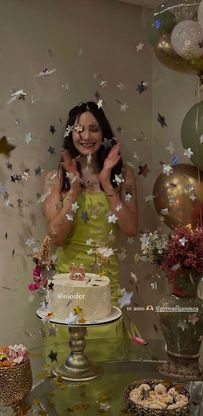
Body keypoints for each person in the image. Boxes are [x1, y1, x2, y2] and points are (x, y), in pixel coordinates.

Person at [42, 101, 138, 359]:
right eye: (79, 129)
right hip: (68, 294)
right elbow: (57, 237)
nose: (86, 136)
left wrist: (106, 181)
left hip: (106, 291)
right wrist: (73, 190)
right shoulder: (55, 179)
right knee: (67, 375)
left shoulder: (123, 176)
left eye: (93, 129)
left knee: (105, 375)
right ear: (70, 134)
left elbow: (130, 228)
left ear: (103, 134)